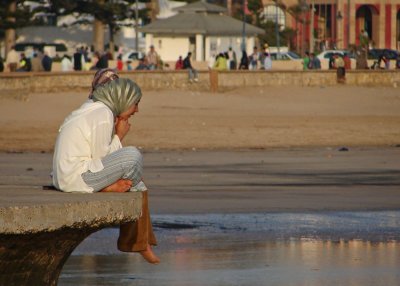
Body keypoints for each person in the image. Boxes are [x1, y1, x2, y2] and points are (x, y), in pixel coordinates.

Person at [52, 68, 160, 264]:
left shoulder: (93, 108)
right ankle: (137, 243)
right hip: (78, 178)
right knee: (133, 157)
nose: (136, 110)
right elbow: (100, 159)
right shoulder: (103, 113)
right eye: (135, 104)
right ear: (124, 99)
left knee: (134, 175)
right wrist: (119, 136)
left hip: (68, 177)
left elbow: (102, 160)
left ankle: (142, 242)